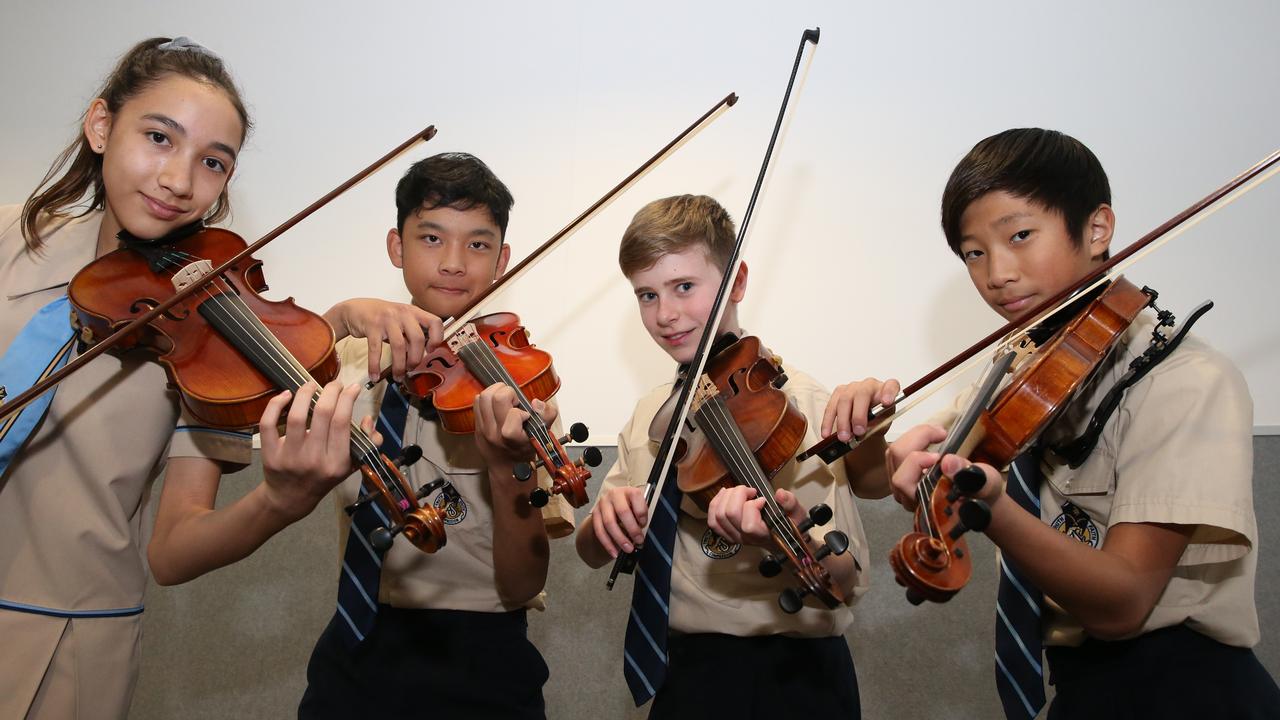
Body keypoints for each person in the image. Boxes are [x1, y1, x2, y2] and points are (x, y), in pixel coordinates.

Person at [0, 37, 359, 719]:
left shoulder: (214, 344)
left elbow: (173, 551)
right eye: (159, 137)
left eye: (212, 162)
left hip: (65, 656)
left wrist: (281, 501)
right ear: (102, 126)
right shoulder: (10, 241)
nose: (178, 179)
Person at [885, 128, 1280, 719]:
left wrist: (991, 510)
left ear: (1096, 229)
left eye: (1020, 236)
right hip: (1080, 690)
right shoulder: (1021, 368)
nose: (997, 273)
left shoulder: (1188, 381)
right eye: (974, 252)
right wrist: (882, 441)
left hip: (1187, 691)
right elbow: (906, 460)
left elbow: (1123, 603)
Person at [575, 194, 897, 718]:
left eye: (684, 287)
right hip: (686, 677)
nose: (666, 314)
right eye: (646, 295)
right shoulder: (652, 415)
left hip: (799, 677)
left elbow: (845, 581)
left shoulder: (800, 406)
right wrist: (604, 522)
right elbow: (590, 551)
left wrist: (781, 531)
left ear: (737, 281)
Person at [297, 152, 576, 719]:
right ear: (396, 247)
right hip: (358, 643)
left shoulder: (516, 382)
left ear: (502, 261)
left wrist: (511, 470)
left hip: (485, 661)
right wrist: (341, 315)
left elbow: (524, 583)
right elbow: (264, 378)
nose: (452, 263)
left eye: (477, 245)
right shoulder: (347, 358)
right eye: (430, 238)